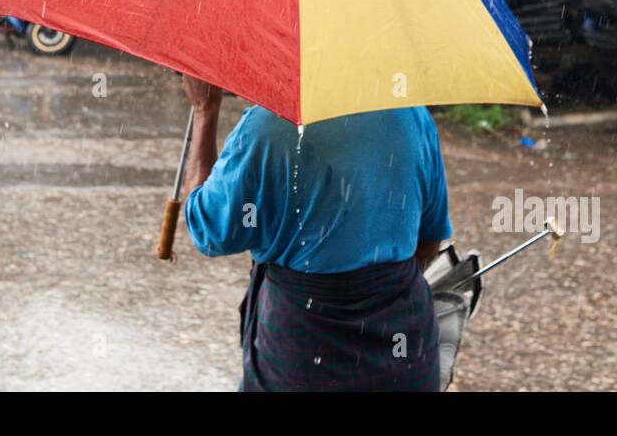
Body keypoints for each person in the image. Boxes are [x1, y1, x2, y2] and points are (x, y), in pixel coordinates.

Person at [180, 75, 452, 392]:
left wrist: (204, 110)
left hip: (302, 352)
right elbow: (430, 237)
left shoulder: (265, 126)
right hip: (404, 350)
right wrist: (377, 293)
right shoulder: (411, 114)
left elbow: (209, 229)